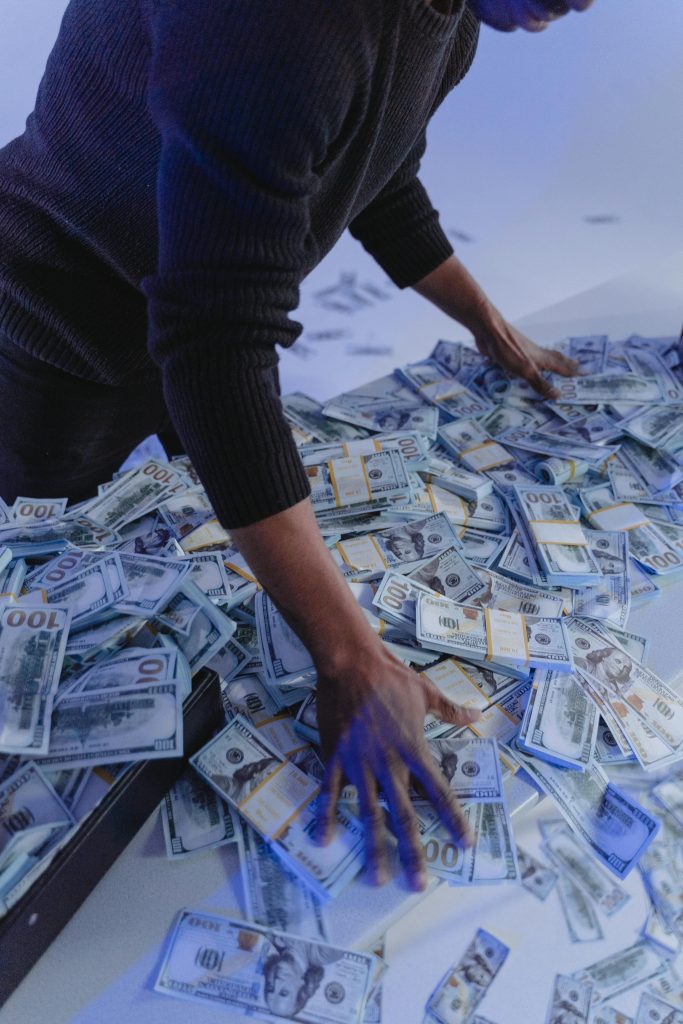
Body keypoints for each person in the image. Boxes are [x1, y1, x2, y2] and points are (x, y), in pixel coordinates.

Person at [0, 0, 593, 890]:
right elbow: (217, 342)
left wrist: (486, 324)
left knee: (188, 560)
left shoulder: (453, 16)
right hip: (54, 326)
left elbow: (374, 174)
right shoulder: (279, 21)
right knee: (59, 601)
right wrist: (350, 656)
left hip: (180, 310)